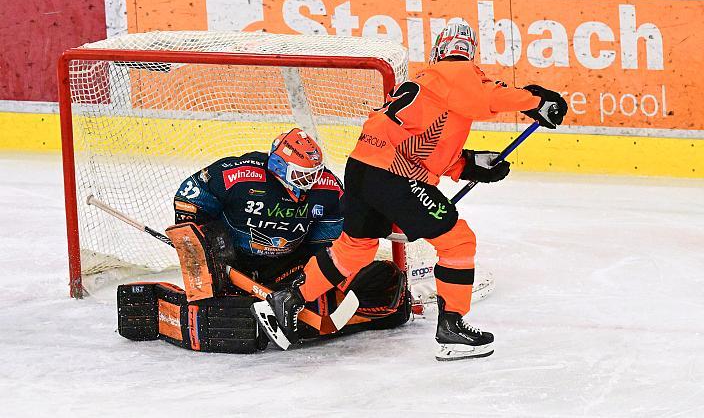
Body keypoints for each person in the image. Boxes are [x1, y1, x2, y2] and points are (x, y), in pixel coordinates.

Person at [254, 22, 568, 360]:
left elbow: (423, 149)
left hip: (363, 168)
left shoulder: (428, 85)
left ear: (437, 50)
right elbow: (488, 97)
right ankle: (452, 326)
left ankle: (287, 299)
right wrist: (537, 100)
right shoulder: (457, 72)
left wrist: (469, 164)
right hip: (390, 175)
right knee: (457, 241)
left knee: (354, 250)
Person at [117, 128, 409, 354]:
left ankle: (283, 299)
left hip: (288, 265)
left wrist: (314, 276)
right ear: (279, 167)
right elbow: (190, 195)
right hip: (232, 261)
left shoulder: (328, 188)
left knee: (363, 290)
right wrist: (200, 245)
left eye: (313, 174)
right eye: (300, 175)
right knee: (214, 292)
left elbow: (329, 244)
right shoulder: (239, 174)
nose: (308, 182)